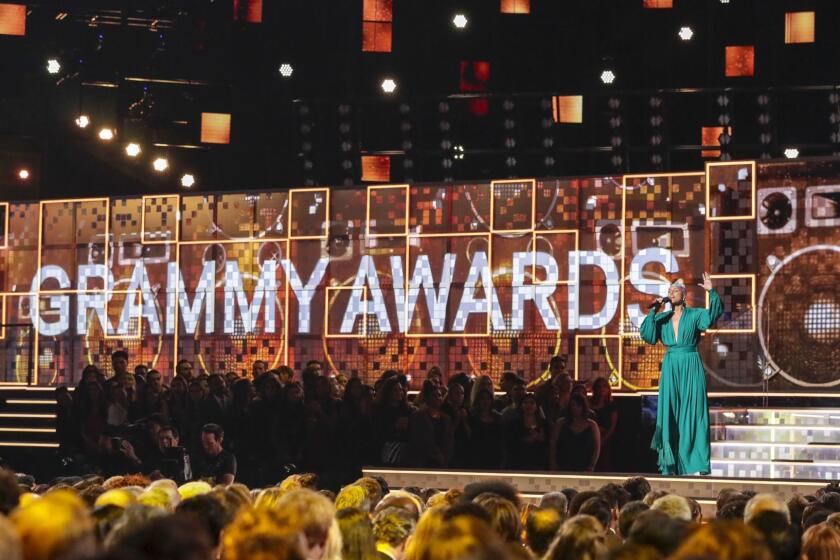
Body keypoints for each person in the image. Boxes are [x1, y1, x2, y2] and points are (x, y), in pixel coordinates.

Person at [640, 274, 722, 476]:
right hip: (671, 366)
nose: (671, 293)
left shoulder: (694, 314)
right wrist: (653, 311)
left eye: (675, 291)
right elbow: (648, 335)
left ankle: (696, 462)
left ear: (684, 295)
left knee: (693, 412)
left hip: (690, 363)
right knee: (671, 413)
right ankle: (671, 463)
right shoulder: (662, 318)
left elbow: (711, 317)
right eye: (669, 291)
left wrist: (711, 291)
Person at [550, 393, 600, 471]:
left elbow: (596, 447)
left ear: (583, 407)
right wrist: (553, 463)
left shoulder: (592, 425)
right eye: (573, 405)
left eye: (578, 405)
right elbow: (553, 444)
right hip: (564, 463)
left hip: (584, 464)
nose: (576, 408)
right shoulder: (560, 423)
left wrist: (592, 465)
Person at [590, 377, 618, 471]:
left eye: (604, 386)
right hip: (590, 438)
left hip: (604, 439)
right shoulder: (589, 403)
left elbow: (612, 426)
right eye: (599, 386)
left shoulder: (611, 405)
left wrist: (603, 439)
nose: (601, 389)